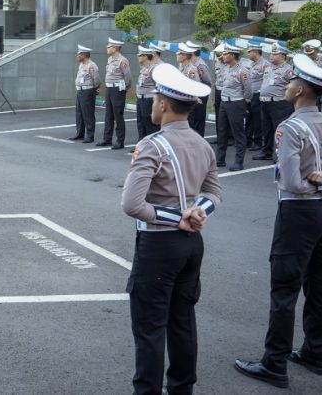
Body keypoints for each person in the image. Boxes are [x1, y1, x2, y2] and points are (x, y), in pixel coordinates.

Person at [121, 62, 221, 395]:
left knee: (150, 328)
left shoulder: (151, 145)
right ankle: (182, 389)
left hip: (160, 246)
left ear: (164, 104)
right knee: (182, 322)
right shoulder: (203, 144)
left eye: (154, 99)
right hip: (192, 244)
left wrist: (175, 217)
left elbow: (132, 205)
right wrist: (196, 213)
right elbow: (213, 193)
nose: (151, 104)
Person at [234, 53, 322, 389]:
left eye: (292, 82)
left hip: (299, 210)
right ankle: (315, 352)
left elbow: (290, 182)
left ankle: (274, 363)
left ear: (300, 90)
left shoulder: (289, 127)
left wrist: (312, 183)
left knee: (285, 288)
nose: (287, 85)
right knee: (319, 286)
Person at [254, 43, 295, 162]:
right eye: (271, 53)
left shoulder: (289, 70)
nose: (271, 56)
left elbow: (293, 86)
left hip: (280, 103)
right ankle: (266, 151)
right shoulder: (268, 68)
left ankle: (281, 154)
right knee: (266, 128)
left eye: (275, 54)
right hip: (265, 102)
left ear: (283, 56)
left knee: (280, 130)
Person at [216, 44, 252, 171]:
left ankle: (239, 161)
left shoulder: (242, 71)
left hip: (236, 103)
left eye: (226, 54)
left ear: (233, 55)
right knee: (222, 131)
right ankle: (220, 159)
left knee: (238, 133)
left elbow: (248, 89)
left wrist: (244, 102)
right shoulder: (226, 68)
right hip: (224, 103)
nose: (223, 56)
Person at [98, 38, 132, 149]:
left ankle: (119, 141)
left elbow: (128, 77)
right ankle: (107, 139)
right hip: (109, 88)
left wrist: (124, 88)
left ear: (115, 48)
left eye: (109, 46)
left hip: (118, 89)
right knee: (108, 115)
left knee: (118, 115)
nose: (107, 48)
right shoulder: (110, 59)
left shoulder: (123, 60)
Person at [70, 45, 99, 143]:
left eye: (79, 54)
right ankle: (80, 134)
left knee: (88, 114)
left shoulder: (92, 66)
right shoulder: (81, 65)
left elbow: (97, 80)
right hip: (80, 91)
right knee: (79, 113)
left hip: (87, 91)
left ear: (84, 55)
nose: (77, 56)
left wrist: (94, 89)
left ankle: (90, 136)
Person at [185, 41, 213, 137]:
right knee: (191, 121)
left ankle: (199, 144)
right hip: (192, 95)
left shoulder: (200, 65)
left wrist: (201, 94)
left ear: (192, 52)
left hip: (200, 96)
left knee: (198, 121)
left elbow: (208, 81)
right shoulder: (189, 63)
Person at [134, 45, 160, 145]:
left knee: (150, 123)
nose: (138, 57)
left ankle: (153, 145)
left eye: (140, 55)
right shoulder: (144, 68)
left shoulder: (154, 69)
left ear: (145, 56)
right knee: (141, 123)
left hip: (149, 100)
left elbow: (158, 85)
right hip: (141, 98)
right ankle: (141, 144)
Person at [244, 43, 267, 151]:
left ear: (256, 52)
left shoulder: (265, 64)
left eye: (250, 52)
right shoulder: (251, 64)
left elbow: (266, 81)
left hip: (258, 94)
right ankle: (248, 140)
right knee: (249, 118)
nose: (248, 54)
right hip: (250, 94)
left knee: (257, 119)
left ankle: (258, 142)